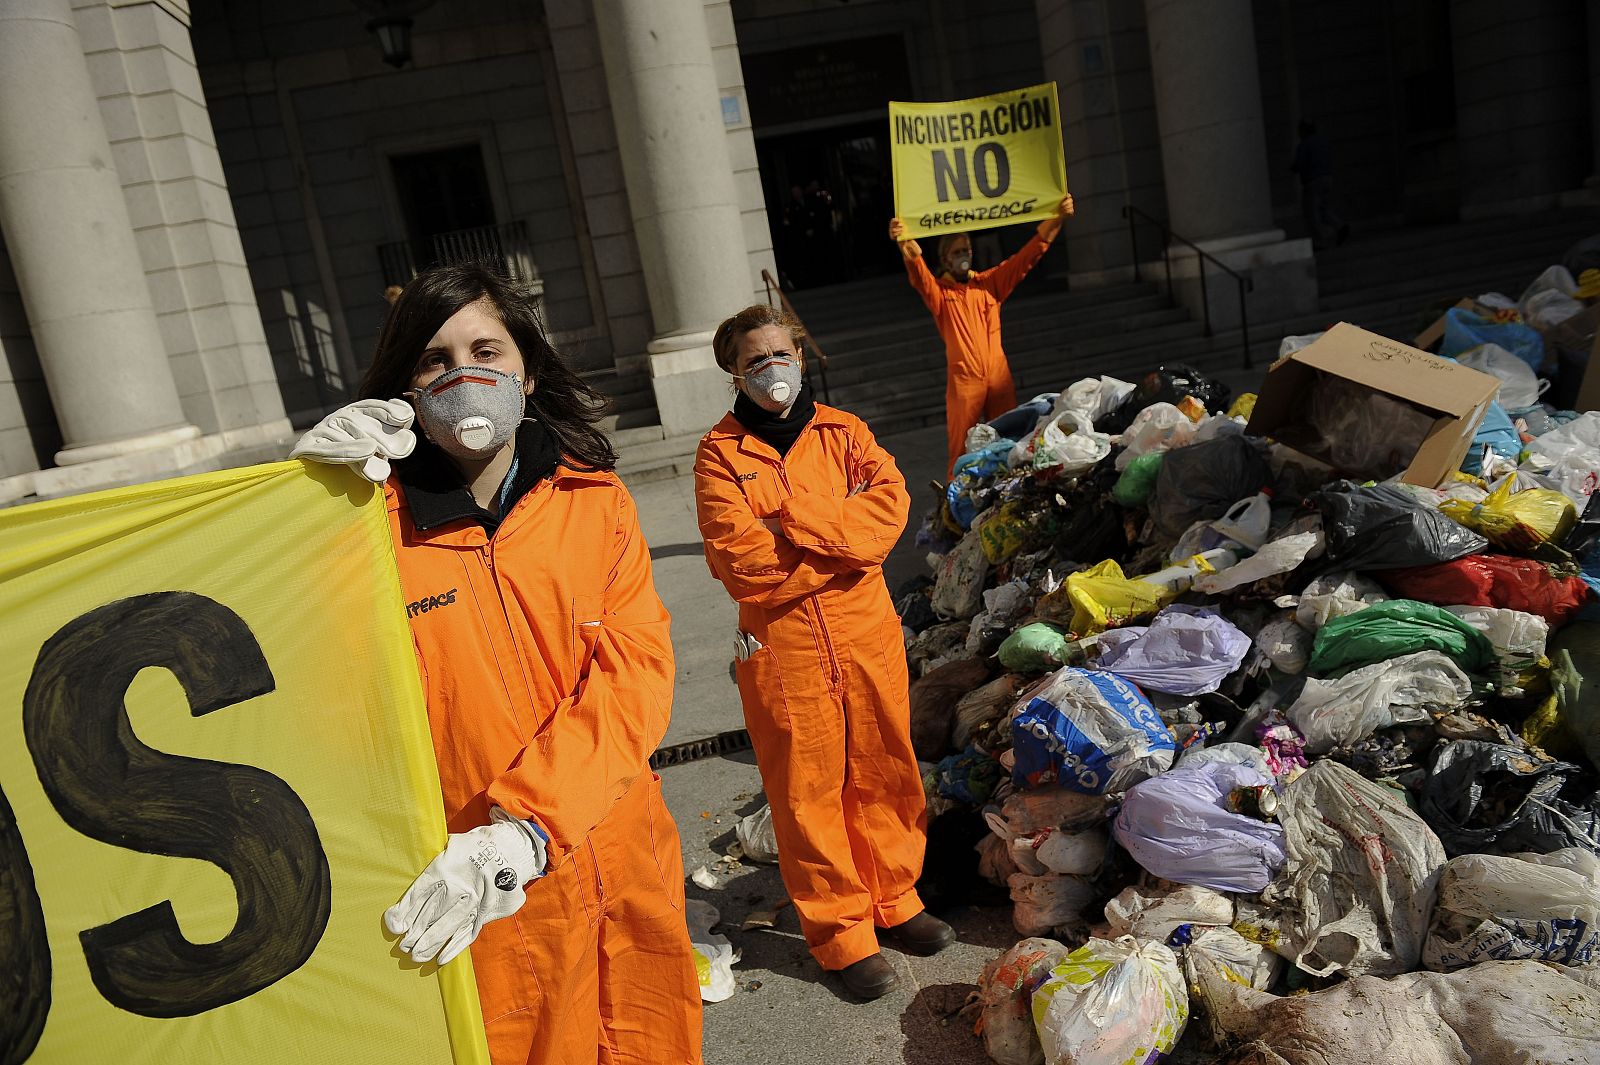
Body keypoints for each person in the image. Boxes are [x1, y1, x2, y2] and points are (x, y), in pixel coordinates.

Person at [290, 265, 702, 1065]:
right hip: (480, 891)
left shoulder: (595, 502)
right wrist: (298, 505)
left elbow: (634, 675)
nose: (464, 373)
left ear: (528, 368)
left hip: (618, 854)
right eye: (434, 360)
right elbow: (313, 691)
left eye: (487, 348)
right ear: (404, 388)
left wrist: (528, 826)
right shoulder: (362, 536)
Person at [693, 304, 953, 1002]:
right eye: (755, 361)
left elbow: (886, 518)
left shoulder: (847, 432)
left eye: (780, 353)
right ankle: (842, 932)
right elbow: (742, 563)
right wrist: (841, 550)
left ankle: (896, 898)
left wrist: (795, 520)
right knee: (807, 791)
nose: (770, 369)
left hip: (864, 634)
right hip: (785, 647)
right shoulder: (720, 454)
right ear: (734, 372)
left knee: (885, 766)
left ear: (801, 356)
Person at [889, 194, 1076, 476]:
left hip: (997, 375)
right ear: (944, 259)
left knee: (1010, 436)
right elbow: (919, 273)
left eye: (966, 250)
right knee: (960, 445)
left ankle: (1007, 487)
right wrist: (904, 239)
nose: (963, 256)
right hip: (965, 380)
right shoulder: (941, 294)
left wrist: (1056, 218)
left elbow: (1026, 257)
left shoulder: (989, 284)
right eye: (956, 252)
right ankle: (954, 499)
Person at [1291, 120, 1348, 249]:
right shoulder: (1322, 142)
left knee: (1312, 212)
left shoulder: (1304, 144)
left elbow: (1299, 164)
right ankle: (1339, 226)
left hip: (1313, 181)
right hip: (1327, 178)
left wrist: (1293, 168)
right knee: (1323, 208)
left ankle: (1320, 239)